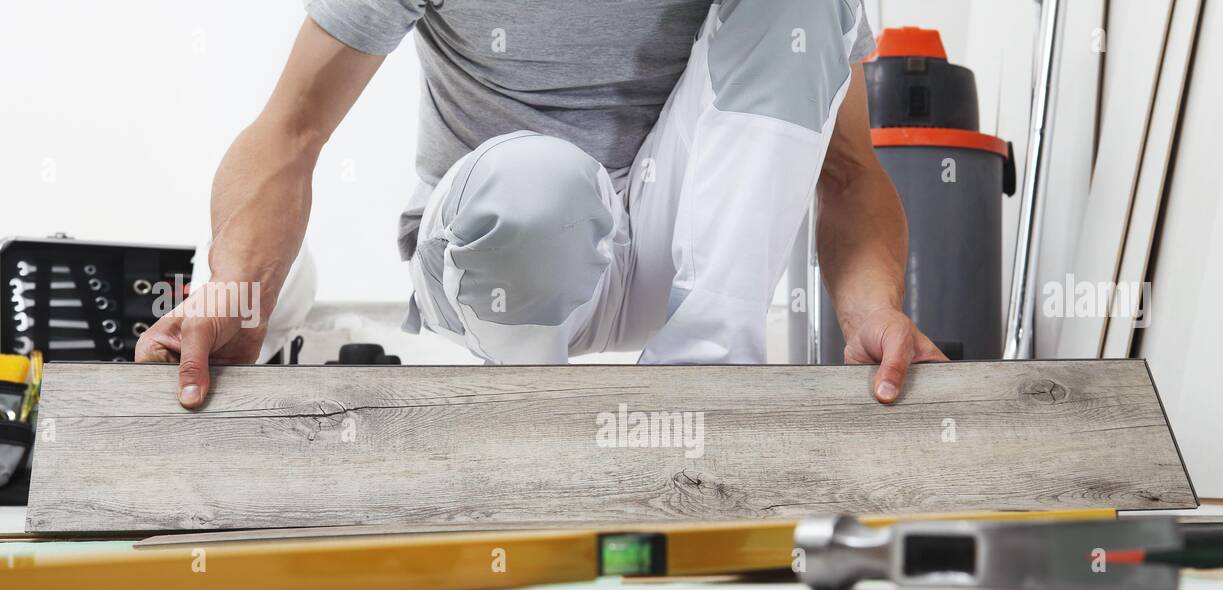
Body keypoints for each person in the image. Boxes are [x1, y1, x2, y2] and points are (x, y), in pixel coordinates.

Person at [137, 0, 946, 407]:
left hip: (673, 245)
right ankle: (533, 411)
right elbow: (292, 130)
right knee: (541, 190)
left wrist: (872, 308)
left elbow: (845, 168)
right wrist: (237, 295)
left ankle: (709, 377)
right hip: (499, 255)